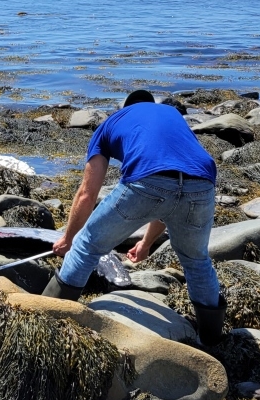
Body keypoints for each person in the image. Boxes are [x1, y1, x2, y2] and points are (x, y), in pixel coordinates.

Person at [41, 90, 227, 346]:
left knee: (88, 245)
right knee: (196, 261)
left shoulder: (110, 123)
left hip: (146, 181)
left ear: (125, 108)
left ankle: (49, 318)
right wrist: (146, 243)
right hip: (201, 184)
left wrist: (69, 238)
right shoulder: (171, 113)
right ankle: (213, 342)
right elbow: (172, 195)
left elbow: (87, 193)